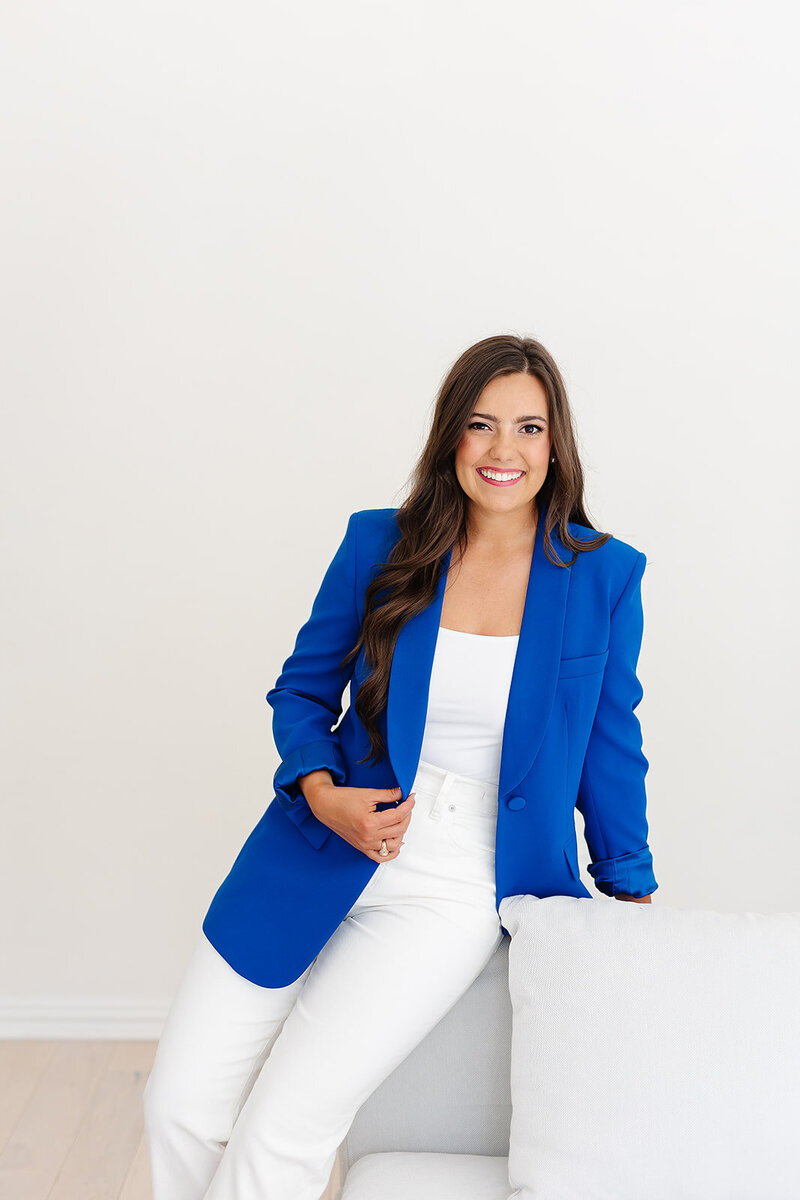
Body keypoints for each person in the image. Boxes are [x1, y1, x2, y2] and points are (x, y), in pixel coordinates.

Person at [142, 333, 658, 1199]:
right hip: (326, 836)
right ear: (450, 435)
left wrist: (631, 887)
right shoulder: (379, 545)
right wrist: (322, 790)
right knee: (178, 1105)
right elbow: (301, 693)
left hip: (460, 877)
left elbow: (612, 741)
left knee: (286, 1128)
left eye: (528, 429)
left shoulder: (603, 574)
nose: (504, 452)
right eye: (482, 426)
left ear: (555, 443)